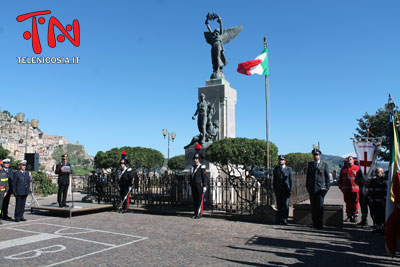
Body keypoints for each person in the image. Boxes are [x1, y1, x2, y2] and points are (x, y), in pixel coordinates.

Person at [306, 149, 330, 229]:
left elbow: (327, 178)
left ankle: (320, 224)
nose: (315, 156)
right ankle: (314, 223)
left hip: (320, 189)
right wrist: (308, 187)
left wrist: (326, 188)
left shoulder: (324, 165)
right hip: (312, 189)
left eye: (317, 155)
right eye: (314, 155)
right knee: (313, 207)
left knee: (320, 207)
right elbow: (308, 177)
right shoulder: (310, 164)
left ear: (320, 156)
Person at [338, 156, 362, 223]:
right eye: (348, 159)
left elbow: (360, 179)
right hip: (346, 190)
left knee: (355, 203)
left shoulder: (357, 168)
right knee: (347, 203)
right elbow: (340, 178)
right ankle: (349, 216)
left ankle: (355, 216)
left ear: (353, 160)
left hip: (355, 190)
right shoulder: (343, 169)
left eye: (350, 159)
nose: (349, 160)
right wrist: (340, 187)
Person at [273, 155, 293, 225]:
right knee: (279, 205)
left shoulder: (288, 169)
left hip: (285, 190)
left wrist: (291, 189)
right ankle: (279, 218)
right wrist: (275, 189)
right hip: (278, 190)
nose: (280, 161)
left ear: (285, 161)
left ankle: (285, 219)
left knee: (285, 205)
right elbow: (274, 180)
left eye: (282, 160)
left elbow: (291, 180)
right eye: (280, 160)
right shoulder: (276, 169)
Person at [367, 167, 387, 233]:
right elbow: (370, 190)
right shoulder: (373, 181)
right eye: (375, 172)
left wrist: (384, 200)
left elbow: (386, 192)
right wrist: (370, 198)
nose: (376, 173)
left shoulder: (384, 181)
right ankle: (378, 228)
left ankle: (384, 229)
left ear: (382, 173)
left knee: (382, 216)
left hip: (381, 202)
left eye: (377, 172)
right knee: (375, 215)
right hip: (373, 201)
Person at [189, 154, 208, 219]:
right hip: (194, 185)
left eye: (197, 159)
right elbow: (190, 177)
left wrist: (205, 185)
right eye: (195, 159)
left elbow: (204, 177)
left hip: (199, 185)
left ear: (199, 160)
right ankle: (195, 213)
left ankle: (199, 213)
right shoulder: (192, 167)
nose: (195, 160)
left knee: (200, 199)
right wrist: (190, 184)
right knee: (195, 199)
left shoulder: (201, 167)